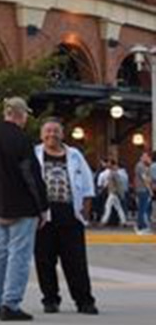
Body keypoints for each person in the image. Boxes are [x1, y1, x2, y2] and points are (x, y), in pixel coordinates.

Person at [0, 97, 49, 321]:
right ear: (21, 114)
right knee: (19, 256)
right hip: (22, 205)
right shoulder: (21, 139)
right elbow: (31, 175)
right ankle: (10, 304)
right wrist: (42, 206)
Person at [33, 119, 99, 314]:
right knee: (45, 261)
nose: (51, 134)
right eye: (47, 131)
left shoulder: (75, 155)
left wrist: (84, 212)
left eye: (56, 131)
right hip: (43, 215)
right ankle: (50, 299)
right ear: (41, 135)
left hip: (70, 214)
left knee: (76, 261)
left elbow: (87, 185)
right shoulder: (33, 154)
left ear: (62, 134)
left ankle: (84, 300)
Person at [98, 156, 128, 227]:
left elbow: (117, 184)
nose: (107, 164)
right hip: (114, 192)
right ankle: (123, 221)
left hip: (113, 192)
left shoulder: (114, 173)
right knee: (118, 207)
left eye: (109, 163)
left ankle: (103, 221)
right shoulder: (114, 172)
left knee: (108, 207)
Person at [132, 151, 153, 234]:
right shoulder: (141, 166)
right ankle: (142, 226)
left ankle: (140, 226)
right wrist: (150, 190)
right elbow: (145, 179)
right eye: (147, 157)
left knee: (142, 208)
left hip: (140, 189)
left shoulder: (141, 166)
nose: (148, 159)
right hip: (143, 190)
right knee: (143, 209)